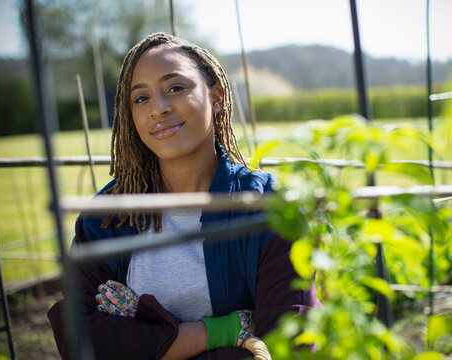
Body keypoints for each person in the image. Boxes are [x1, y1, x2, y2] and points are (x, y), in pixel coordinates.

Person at [47, 32, 319, 359]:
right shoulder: (108, 218)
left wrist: (141, 342)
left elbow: (290, 341)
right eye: (141, 98)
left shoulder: (267, 207)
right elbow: (79, 337)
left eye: (176, 88)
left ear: (216, 96)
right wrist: (219, 332)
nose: (158, 109)